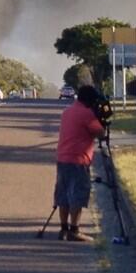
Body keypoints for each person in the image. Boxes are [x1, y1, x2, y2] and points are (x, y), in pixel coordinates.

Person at [54, 85, 105, 241]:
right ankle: (74, 230)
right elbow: (101, 133)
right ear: (89, 100)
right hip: (78, 160)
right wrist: (101, 120)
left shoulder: (67, 112)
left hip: (62, 158)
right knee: (77, 194)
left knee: (63, 194)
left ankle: (63, 228)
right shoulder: (86, 114)